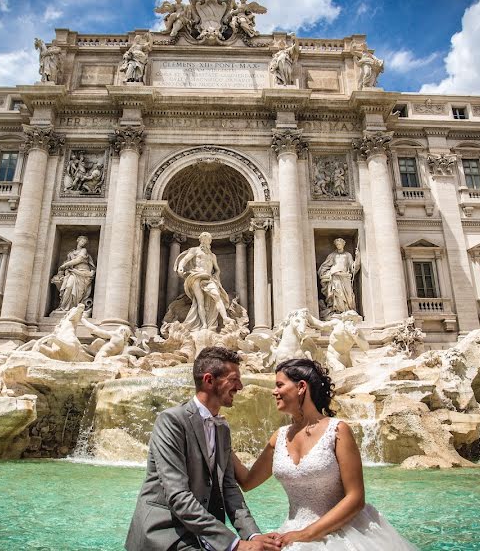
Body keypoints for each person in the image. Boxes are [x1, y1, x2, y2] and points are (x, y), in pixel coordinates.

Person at [232, 359, 416, 550]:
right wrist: (220, 438)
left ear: (301, 387)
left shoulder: (338, 431)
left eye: (279, 385)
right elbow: (247, 482)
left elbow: (355, 498)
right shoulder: (278, 437)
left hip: (344, 533)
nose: (274, 391)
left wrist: (305, 534)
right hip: (292, 532)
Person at [126, 347, 282, 551]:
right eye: (234, 379)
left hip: (203, 536)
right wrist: (234, 545)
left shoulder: (222, 428)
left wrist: (253, 536)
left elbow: (229, 489)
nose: (240, 386)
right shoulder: (172, 421)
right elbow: (178, 495)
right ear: (209, 380)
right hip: (165, 534)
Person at [175, 232, 233, 331]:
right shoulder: (195, 250)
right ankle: (204, 324)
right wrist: (180, 267)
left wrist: (216, 276)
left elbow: (217, 269)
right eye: (203, 239)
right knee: (200, 301)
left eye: (207, 239)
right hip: (196, 276)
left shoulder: (212, 255)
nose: (205, 241)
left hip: (209, 278)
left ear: (210, 241)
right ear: (200, 240)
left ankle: (225, 318)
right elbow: (185, 260)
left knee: (217, 296)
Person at [317, 239, 360, 319]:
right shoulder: (332, 255)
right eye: (337, 244)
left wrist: (358, 257)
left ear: (343, 244)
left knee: (348, 296)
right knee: (337, 294)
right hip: (335, 276)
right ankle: (337, 311)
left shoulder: (347, 255)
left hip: (345, 277)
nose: (338, 246)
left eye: (340, 244)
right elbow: (324, 266)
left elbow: (353, 268)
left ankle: (347, 310)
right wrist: (328, 273)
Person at [52, 236, 95, 313]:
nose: (83, 243)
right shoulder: (70, 253)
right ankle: (63, 307)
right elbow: (66, 263)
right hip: (73, 272)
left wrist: (65, 265)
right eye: (82, 241)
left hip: (83, 273)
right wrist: (62, 270)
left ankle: (74, 307)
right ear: (78, 241)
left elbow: (78, 260)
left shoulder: (84, 250)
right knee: (68, 286)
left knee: (78, 292)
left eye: (84, 242)